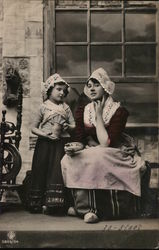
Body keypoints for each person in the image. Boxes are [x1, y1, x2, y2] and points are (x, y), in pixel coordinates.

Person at [61, 67, 146, 223]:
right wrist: (76, 146)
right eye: (89, 85)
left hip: (115, 148)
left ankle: (98, 210)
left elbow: (106, 143)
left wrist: (99, 115)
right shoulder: (84, 110)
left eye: (96, 85)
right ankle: (82, 207)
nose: (92, 89)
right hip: (92, 148)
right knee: (67, 159)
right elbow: (80, 137)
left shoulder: (118, 111)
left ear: (106, 87)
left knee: (98, 157)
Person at [29, 73, 75, 214]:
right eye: (58, 89)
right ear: (49, 90)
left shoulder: (66, 108)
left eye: (64, 90)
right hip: (45, 144)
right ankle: (38, 202)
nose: (62, 93)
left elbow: (74, 125)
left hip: (61, 143)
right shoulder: (43, 107)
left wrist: (68, 126)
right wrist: (45, 134)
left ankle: (55, 204)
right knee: (42, 169)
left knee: (57, 171)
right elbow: (33, 128)